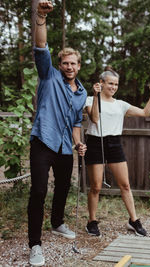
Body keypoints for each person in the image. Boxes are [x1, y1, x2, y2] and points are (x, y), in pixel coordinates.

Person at [28, 1, 87, 266]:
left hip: (65, 147)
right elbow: (41, 47)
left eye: (73, 63)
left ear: (79, 65)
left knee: (63, 186)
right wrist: (40, 17)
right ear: (59, 64)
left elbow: (76, 121)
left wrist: (78, 144)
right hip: (43, 140)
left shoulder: (83, 93)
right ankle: (35, 245)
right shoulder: (48, 75)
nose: (68, 66)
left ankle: (57, 223)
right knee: (39, 191)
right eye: (64, 62)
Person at [84, 67, 150, 237]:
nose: (113, 87)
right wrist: (96, 97)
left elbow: (144, 113)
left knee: (125, 185)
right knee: (96, 186)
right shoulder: (89, 100)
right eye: (110, 83)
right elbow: (95, 119)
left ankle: (134, 220)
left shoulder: (121, 104)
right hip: (96, 143)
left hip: (115, 143)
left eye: (116, 84)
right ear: (101, 83)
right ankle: (92, 221)